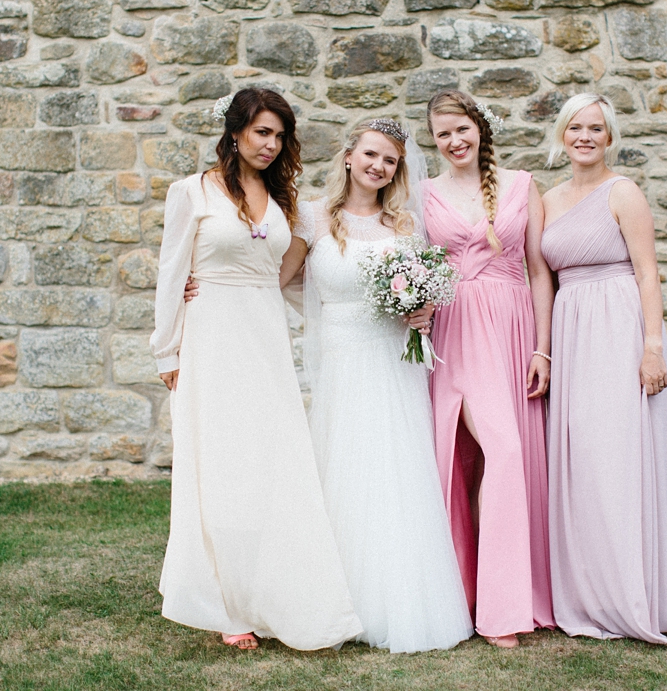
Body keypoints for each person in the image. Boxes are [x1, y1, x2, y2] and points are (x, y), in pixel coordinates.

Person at [151, 87, 362, 652]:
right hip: (211, 338)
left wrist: (355, 317)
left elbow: (290, 281)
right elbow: (172, 273)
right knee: (220, 466)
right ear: (237, 131)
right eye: (262, 132)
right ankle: (226, 604)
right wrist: (166, 350)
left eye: (280, 135)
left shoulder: (285, 201)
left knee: (272, 465)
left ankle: (275, 590)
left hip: (265, 342)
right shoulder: (191, 192)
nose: (270, 144)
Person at [281, 118, 473, 653]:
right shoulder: (314, 217)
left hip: (392, 362)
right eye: (370, 154)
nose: (378, 166)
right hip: (342, 360)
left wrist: (421, 310)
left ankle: (398, 604)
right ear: (348, 156)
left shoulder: (405, 225)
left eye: (389, 160)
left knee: (394, 473)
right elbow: (282, 279)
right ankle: (332, 604)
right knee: (343, 468)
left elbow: (427, 289)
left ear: (397, 169)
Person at [540, 92, 667, 646]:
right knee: (580, 459)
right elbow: (541, 278)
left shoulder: (623, 192)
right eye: (575, 127)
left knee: (618, 458)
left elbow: (648, 274)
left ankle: (631, 594)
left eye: (596, 128)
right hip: (571, 331)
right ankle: (588, 594)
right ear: (562, 135)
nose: (585, 136)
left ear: (609, 137)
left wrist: (653, 346)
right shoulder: (548, 199)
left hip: (617, 328)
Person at [415, 90, 555, 648]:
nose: (454, 141)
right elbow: (401, 255)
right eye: (442, 133)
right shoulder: (422, 193)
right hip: (454, 330)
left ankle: (501, 596)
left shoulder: (522, 185)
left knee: (505, 456)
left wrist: (543, 348)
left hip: (513, 327)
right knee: (475, 454)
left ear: (480, 128)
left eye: (461, 129)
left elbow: (541, 271)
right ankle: (481, 605)